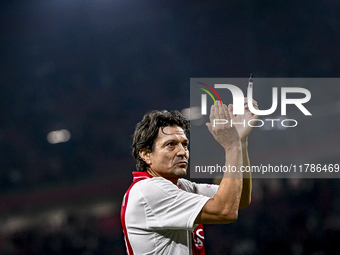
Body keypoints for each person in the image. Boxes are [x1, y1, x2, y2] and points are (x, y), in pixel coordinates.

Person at [121, 98, 259, 254]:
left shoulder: (180, 186)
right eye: (170, 144)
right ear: (146, 154)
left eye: (184, 144)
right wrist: (232, 146)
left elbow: (240, 198)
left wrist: (240, 142)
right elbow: (225, 210)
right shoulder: (148, 191)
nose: (182, 152)